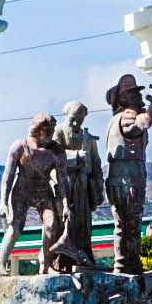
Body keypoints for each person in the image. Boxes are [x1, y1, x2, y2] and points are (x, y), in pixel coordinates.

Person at [103, 73, 152, 275]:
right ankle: (124, 265)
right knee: (127, 224)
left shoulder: (116, 119)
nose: (139, 97)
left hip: (127, 177)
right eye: (133, 94)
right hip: (126, 179)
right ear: (123, 99)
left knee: (129, 224)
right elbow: (143, 122)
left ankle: (130, 263)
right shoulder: (127, 116)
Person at [0, 113, 67, 276]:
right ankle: (1, 263)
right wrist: (3, 203)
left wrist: (65, 203)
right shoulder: (20, 146)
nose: (51, 132)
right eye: (48, 129)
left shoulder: (56, 151)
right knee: (15, 228)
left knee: (50, 225)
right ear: (38, 129)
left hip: (43, 191)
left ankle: (46, 264)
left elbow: (63, 180)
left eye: (52, 129)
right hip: (21, 191)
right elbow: (8, 176)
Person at [45, 100, 102, 272]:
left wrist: (98, 188)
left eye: (81, 119)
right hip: (65, 185)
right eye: (73, 119)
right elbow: (52, 155)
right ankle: (62, 260)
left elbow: (97, 165)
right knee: (65, 220)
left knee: (83, 222)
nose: (77, 123)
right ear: (66, 116)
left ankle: (84, 255)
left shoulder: (89, 138)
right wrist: (77, 156)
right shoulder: (58, 132)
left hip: (83, 187)